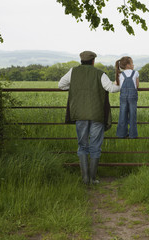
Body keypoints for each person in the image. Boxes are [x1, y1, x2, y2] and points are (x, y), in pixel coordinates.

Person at [58, 50, 120, 184]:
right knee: (95, 146)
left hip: (79, 113)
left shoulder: (73, 71)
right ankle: (92, 178)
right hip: (97, 114)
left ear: (81, 60)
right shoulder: (99, 73)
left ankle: (85, 178)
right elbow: (111, 88)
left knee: (82, 145)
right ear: (93, 61)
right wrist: (121, 85)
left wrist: (75, 87)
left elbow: (61, 85)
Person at [115, 56, 139, 139]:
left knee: (122, 114)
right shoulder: (135, 73)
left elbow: (118, 84)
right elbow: (137, 85)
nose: (133, 65)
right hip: (132, 97)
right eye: (132, 63)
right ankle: (132, 135)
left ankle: (121, 134)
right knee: (133, 115)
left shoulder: (120, 74)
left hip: (123, 97)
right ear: (128, 65)